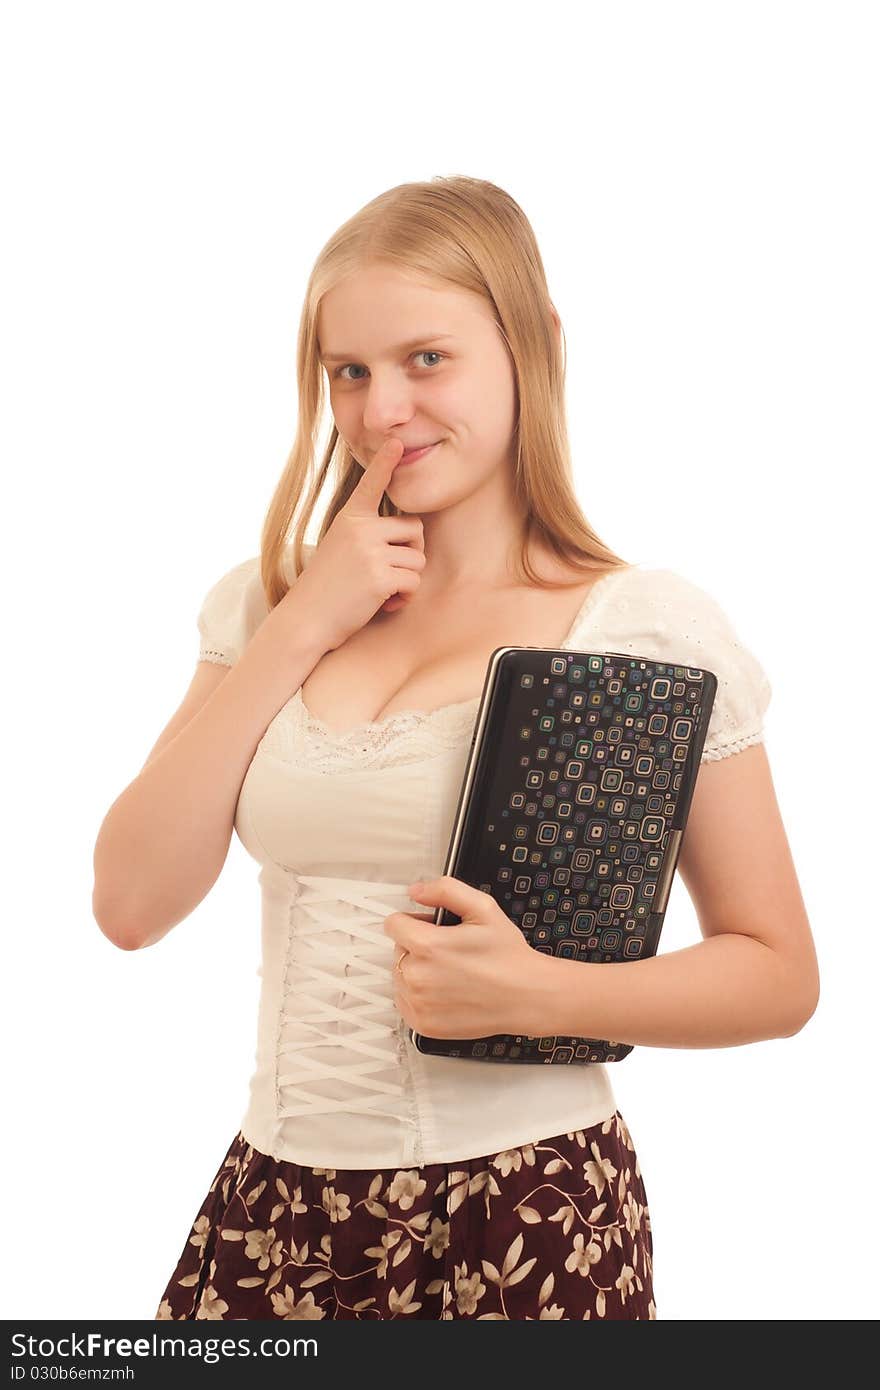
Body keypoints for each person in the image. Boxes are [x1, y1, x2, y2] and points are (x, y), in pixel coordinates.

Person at [92, 176, 819, 1321]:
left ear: (535, 349)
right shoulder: (265, 608)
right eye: (351, 371)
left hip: (525, 1210)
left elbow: (777, 969)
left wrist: (543, 989)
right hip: (270, 1202)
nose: (384, 407)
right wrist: (302, 622)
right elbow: (130, 901)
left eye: (427, 358)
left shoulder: (639, 626)